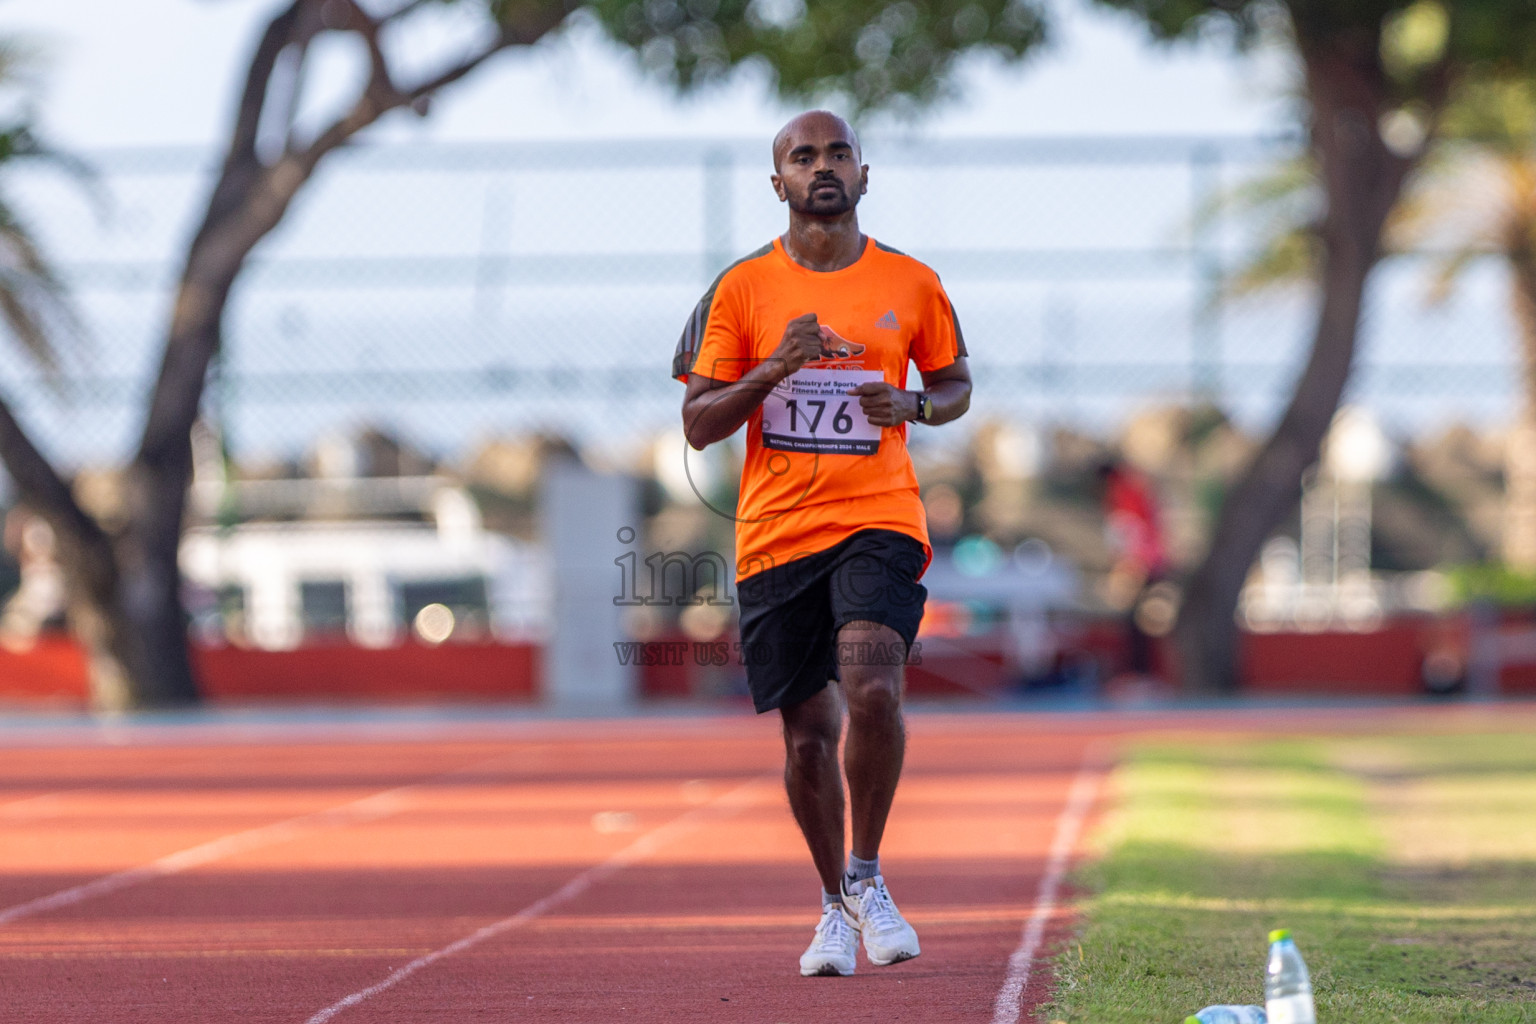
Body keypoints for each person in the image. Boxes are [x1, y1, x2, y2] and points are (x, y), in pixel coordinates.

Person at [673, 110, 972, 977]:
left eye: (838, 152)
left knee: (873, 684)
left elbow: (954, 383)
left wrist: (912, 407)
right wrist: (774, 366)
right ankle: (835, 907)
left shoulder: (912, 283)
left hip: (879, 518)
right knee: (808, 735)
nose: (823, 166)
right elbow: (697, 426)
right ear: (780, 186)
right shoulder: (739, 291)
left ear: (864, 174)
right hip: (776, 538)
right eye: (803, 157)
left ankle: (868, 876)